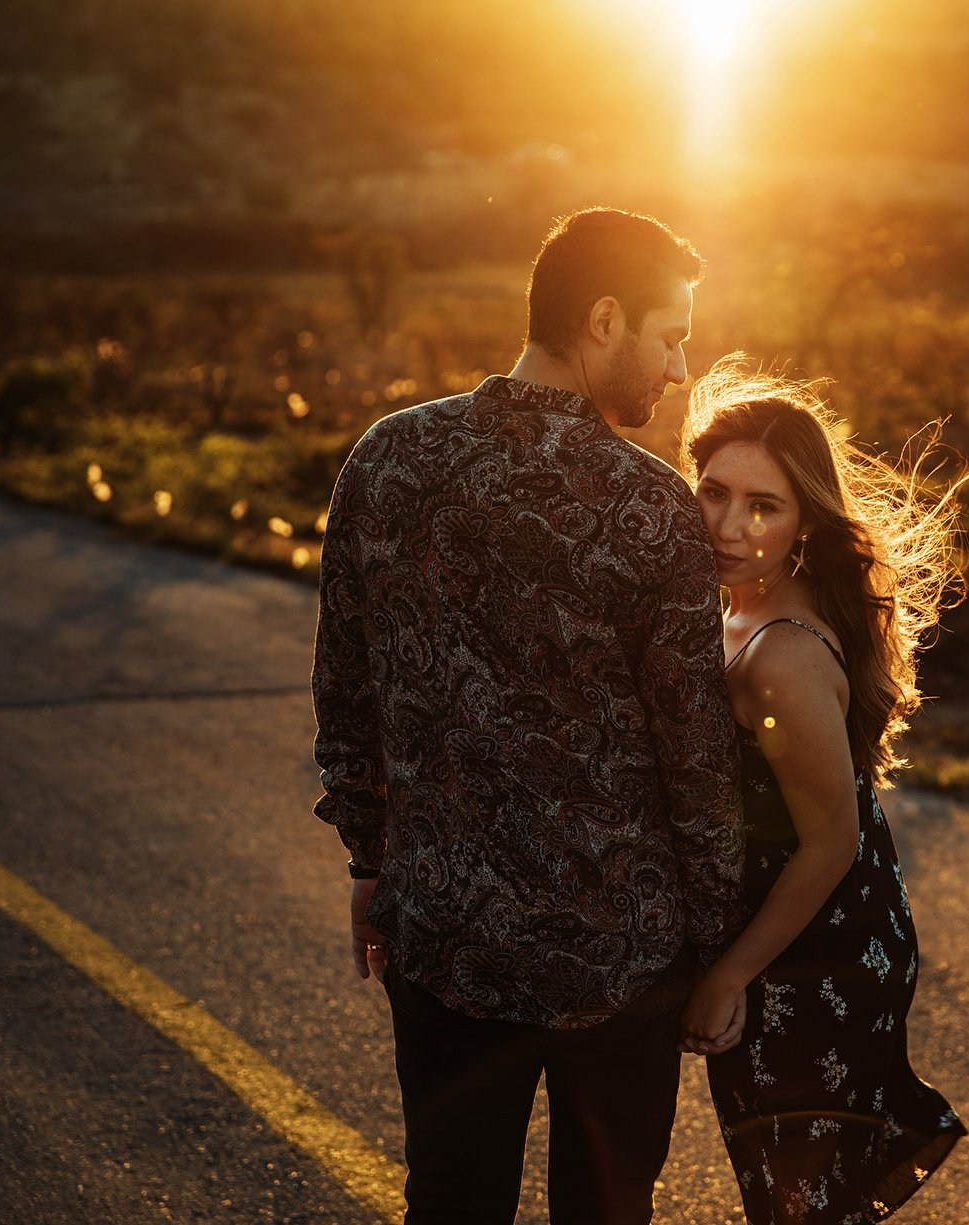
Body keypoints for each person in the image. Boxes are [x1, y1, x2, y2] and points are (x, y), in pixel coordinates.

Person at [311, 207, 746, 1224]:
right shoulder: (649, 509)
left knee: (452, 1205)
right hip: (622, 961)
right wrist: (719, 947)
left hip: (446, 940)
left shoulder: (388, 461)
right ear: (602, 319)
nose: (681, 366)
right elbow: (694, 756)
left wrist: (369, 865)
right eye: (669, 332)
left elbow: (346, 691)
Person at [677, 357, 969, 1223]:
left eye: (764, 506)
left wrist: (728, 976)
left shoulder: (782, 654)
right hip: (793, 928)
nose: (730, 525)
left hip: (822, 949)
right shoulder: (737, 599)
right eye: (714, 492)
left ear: (805, 521)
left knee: (801, 1203)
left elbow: (831, 841)